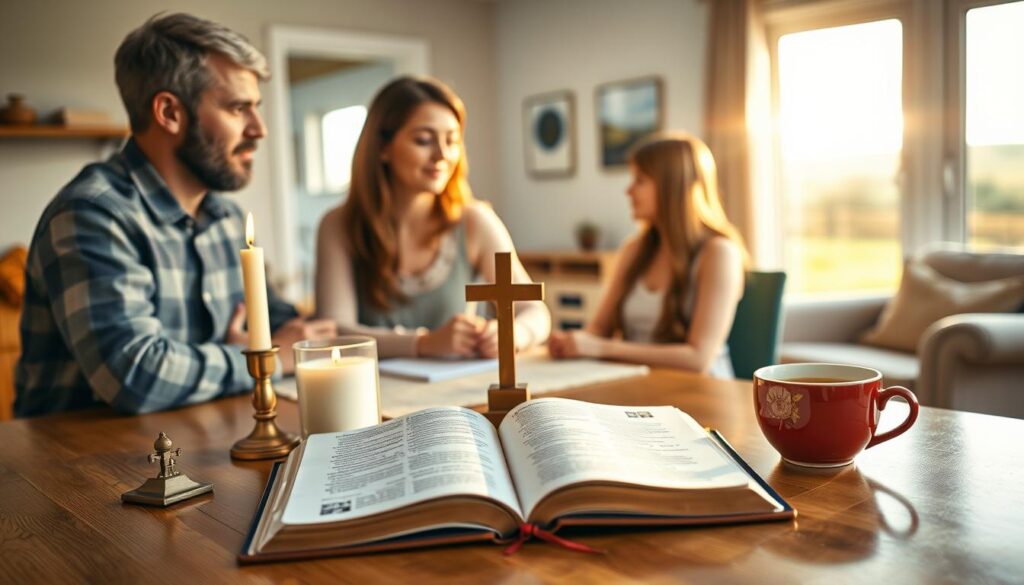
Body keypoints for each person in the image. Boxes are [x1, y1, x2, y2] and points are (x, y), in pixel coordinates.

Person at [14, 13, 336, 417]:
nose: (260, 129)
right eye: (239, 108)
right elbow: (136, 375)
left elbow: (282, 323)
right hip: (82, 470)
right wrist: (263, 359)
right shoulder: (93, 214)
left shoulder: (225, 217)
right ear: (169, 113)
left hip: (199, 442)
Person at [315, 76, 550, 358]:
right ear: (383, 148)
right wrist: (424, 343)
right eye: (424, 140)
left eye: (452, 141)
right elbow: (334, 331)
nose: (442, 155)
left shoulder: (476, 221)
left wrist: (515, 334)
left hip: (459, 395)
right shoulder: (338, 226)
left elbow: (535, 311)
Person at [548, 132, 746, 376]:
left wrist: (601, 348)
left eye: (639, 180)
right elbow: (599, 328)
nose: (628, 191)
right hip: (640, 384)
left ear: (671, 186)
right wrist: (572, 342)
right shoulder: (634, 250)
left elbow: (698, 358)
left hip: (701, 392)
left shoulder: (719, 253)